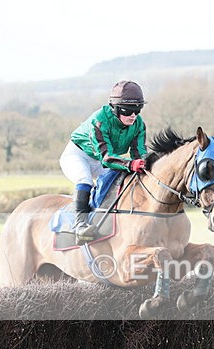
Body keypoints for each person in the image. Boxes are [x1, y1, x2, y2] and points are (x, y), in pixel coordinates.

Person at [59, 80, 148, 242]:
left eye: (138, 109)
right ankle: (80, 225)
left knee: (120, 181)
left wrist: (145, 164)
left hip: (102, 159)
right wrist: (130, 164)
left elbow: (140, 154)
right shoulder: (99, 120)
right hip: (78, 155)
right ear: (115, 108)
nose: (133, 115)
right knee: (85, 179)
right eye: (128, 111)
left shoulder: (138, 124)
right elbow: (106, 158)